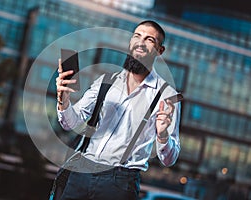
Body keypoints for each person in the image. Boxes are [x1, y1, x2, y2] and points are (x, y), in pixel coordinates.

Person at [55, 20, 181, 200]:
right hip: (82, 170)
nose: (140, 42)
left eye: (149, 40)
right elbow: (71, 123)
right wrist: (63, 99)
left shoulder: (167, 95)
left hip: (120, 182)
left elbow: (169, 159)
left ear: (160, 51)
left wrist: (162, 135)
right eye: (137, 36)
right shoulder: (107, 80)